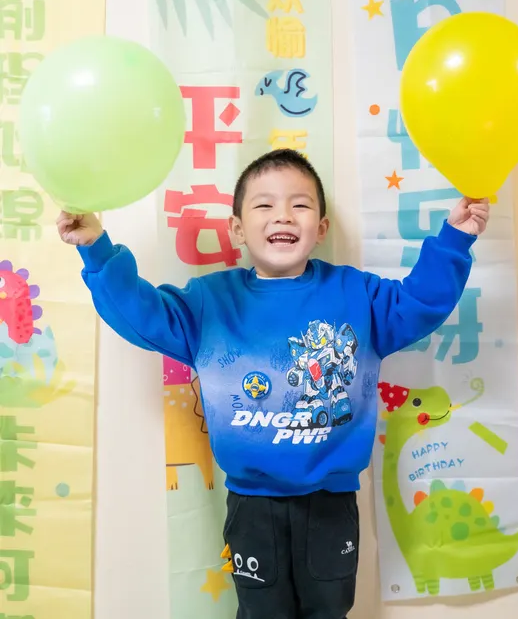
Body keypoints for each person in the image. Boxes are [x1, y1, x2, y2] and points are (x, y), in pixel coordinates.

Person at [57, 149, 490, 619]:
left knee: (329, 610)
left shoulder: (357, 294)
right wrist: (96, 248)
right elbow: (142, 315)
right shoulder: (210, 300)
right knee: (261, 612)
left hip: (331, 500)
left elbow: (419, 304)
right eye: (264, 205)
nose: (283, 215)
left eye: (299, 205)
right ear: (237, 229)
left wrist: (454, 240)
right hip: (252, 504)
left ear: (321, 228)